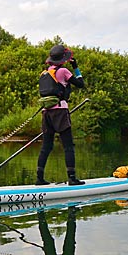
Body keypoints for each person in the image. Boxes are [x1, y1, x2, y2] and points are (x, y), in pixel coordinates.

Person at [36, 44, 86, 186]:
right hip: (60, 112)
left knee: (46, 146)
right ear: (63, 60)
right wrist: (76, 68)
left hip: (46, 113)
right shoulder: (63, 71)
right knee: (68, 146)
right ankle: (72, 178)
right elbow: (80, 84)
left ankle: (39, 178)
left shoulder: (44, 73)